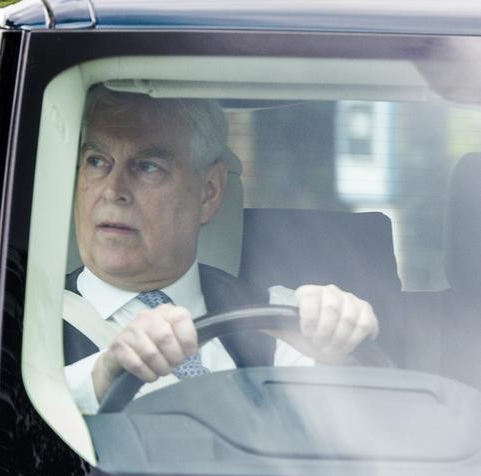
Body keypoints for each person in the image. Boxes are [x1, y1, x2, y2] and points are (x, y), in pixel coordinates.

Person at [64, 85, 379, 414]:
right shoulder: (21, 321)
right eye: (97, 161)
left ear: (209, 193)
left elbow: (351, 440)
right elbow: (10, 431)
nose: (113, 191)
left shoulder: (275, 313)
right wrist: (101, 376)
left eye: (147, 166)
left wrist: (339, 350)